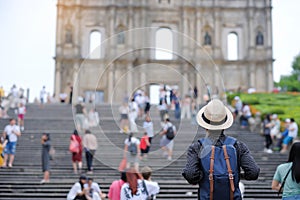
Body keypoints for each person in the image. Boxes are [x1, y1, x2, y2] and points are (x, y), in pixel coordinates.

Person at [182, 99, 260, 199]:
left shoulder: (197, 147)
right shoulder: (238, 146)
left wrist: (204, 176)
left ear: (205, 126)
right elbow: (253, 172)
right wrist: (235, 175)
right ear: (225, 124)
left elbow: (190, 174)